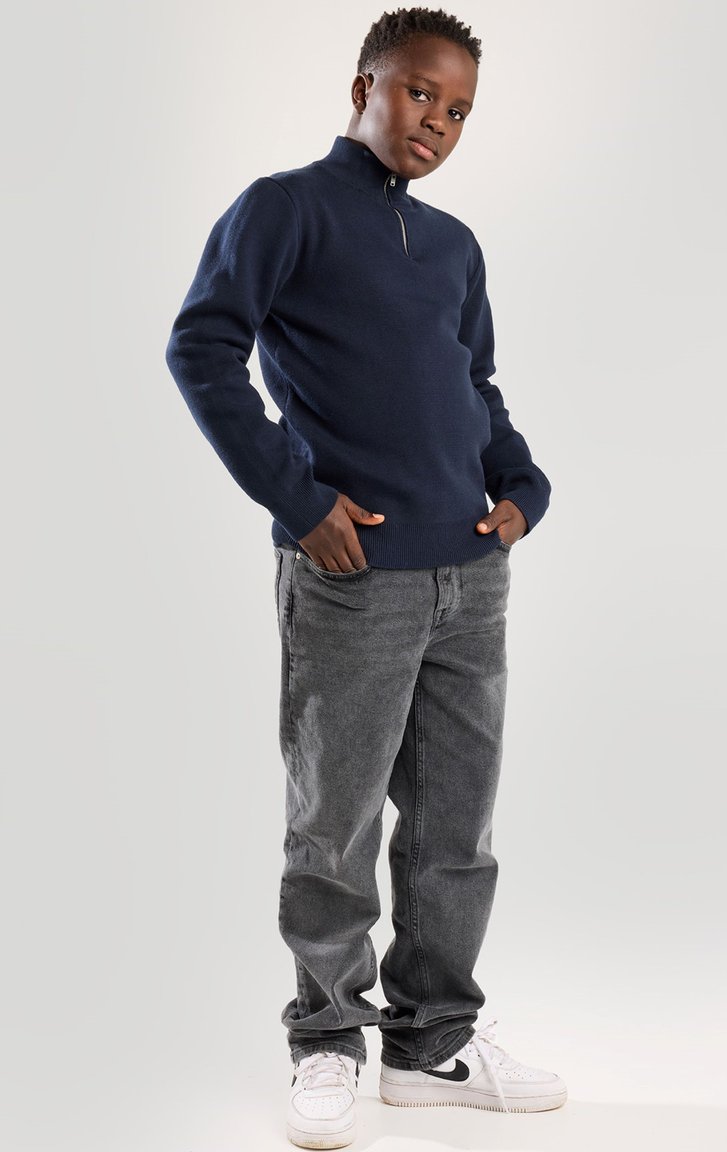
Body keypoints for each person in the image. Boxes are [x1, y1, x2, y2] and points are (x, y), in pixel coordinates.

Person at [165, 6, 567, 1148]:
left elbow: (474, 385)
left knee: (454, 828)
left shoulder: (453, 245)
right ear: (364, 87)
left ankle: (432, 1042)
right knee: (332, 822)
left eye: (459, 110)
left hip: (469, 573)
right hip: (354, 576)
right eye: (419, 92)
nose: (436, 121)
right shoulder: (283, 208)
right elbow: (202, 347)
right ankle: (327, 1039)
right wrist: (299, 502)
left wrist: (520, 484)